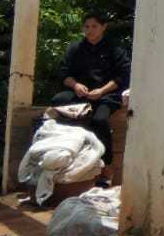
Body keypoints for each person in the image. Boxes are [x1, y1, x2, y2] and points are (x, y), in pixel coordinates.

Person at [51, 12, 131, 185]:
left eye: (94, 26)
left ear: (103, 27)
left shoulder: (114, 48)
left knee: (100, 121)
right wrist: (76, 86)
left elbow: (123, 75)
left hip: (106, 95)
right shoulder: (76, 48)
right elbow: (64, 73)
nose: (90, 30)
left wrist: (102, 91)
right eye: (87, 26)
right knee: (58, 101)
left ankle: (107, 169)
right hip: (81, 94)